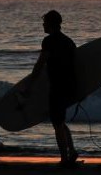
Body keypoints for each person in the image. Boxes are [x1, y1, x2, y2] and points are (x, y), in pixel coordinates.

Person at [24, 10, 78, 166]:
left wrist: (30, 85)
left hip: (58, 86)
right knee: (60, 120)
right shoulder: (69, 41)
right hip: (70, 86)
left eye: (45, 22)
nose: (43, 25)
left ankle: (64, 159)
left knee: (57, 123)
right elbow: (76, 66)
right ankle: (72, 152)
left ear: (51, 24)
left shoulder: (48, 41)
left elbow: (40, 65)